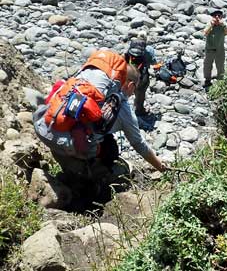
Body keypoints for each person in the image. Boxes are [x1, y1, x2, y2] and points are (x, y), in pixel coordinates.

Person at [33, 51, 166, 207]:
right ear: (130, 85)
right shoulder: (121, 107)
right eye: (135, 88)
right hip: (69, 145)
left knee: (105, 139)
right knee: (112, 153)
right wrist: (161, 167)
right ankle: (89, 188)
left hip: (45, 129)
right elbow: (139, 144)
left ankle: (71, 173)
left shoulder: (86, 81)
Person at [124, 31, 157, 116]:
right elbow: (154, 63)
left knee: (125, 92)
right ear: (146, 40)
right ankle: (139, 110)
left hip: (129, 75)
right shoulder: (149, 50)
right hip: (142, 77)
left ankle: (122, 110)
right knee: (141, 93)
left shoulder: (131, 48)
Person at [203, 9, 227, 89]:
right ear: (212, 17)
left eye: (219, 15)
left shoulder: (223, 24)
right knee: (207, 65)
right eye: (215, 15)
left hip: (220, 49)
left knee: (220, 65)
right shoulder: (209, 24)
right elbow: (205, 33)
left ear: (221, 17)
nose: (217, 17)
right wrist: (211, 26)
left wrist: (223, 25)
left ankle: (220, 81)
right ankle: (207, 80)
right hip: (210, 49)